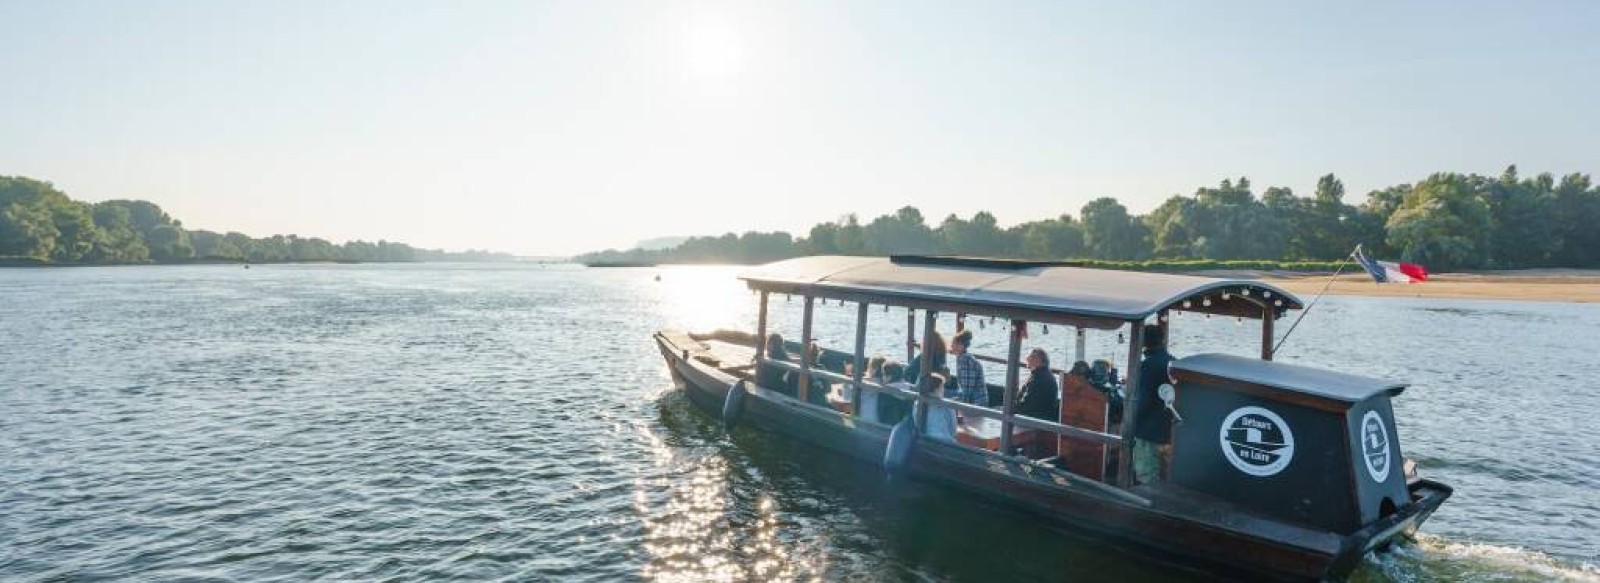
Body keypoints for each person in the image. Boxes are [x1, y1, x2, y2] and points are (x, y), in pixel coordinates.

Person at [1131, 326, 1177, 484]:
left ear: (1143, 341)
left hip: (1148, 431)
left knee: (1147, 475)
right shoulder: (1173, 362)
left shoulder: (1148, 365)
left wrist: (1130, 422)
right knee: (1166, 475)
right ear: (1162, 340)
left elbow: (1143, 400)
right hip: (1168, 430)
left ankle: (1147, 505)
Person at [1016, 348, 1060, 422]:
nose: (1027, 359)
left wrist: (1012, 408)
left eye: (1030, 357)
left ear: (1038, 360)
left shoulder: (1038, 378)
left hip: (1035, 419)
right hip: (1041, 415)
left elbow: (1028, 404)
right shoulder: (1043, 374)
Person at [949, 330, 988, 407]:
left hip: (976, 403)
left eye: (953, 344)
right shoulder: (966, 358)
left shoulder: (965, 361)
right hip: (977, 400)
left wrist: (953, 401)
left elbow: (967, 391)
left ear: (960, 346)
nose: (951, 346)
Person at [918, 373, 958, 442]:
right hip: (946, 444)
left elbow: (917, 423)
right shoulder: (948, 406)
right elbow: (953, 431)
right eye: (942, 387)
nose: (943, 390)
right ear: (937, 389)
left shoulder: (917, 404)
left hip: (925, 441)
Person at [856, 355, 887, 423]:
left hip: (864, 420)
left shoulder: (863, 383)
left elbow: (847, 396)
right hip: (879, 421)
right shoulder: (886, 383)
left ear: (874, 369)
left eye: (869, 367)